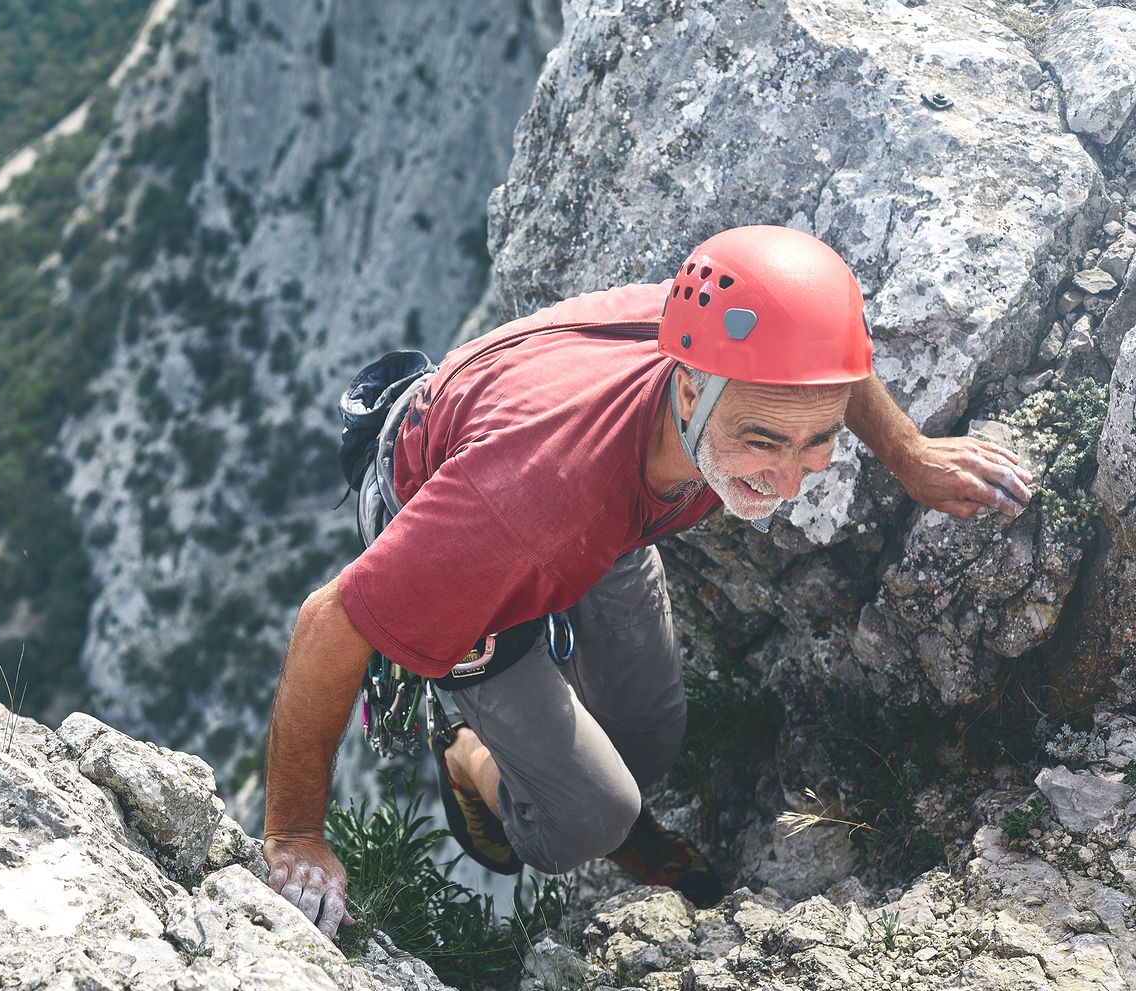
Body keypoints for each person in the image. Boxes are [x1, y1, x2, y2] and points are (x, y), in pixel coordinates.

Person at [259, 225, 1035, 940]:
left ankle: (595, 772)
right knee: (589, 819)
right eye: (763, 441)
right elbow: (327, 624)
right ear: (691, 390)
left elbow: (827, 371)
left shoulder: (725, 352)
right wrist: (295, 833)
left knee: (651, 738)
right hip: (475, 547)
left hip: (605, 514)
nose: (788, 478)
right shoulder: (531, 503)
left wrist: (909, 453)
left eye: (816, 444)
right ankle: (466, 755)